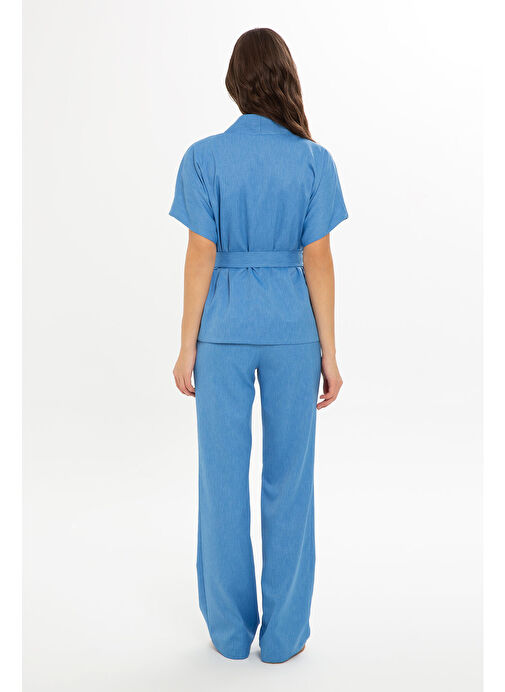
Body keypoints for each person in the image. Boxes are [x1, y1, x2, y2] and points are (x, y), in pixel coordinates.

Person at [169, 27, 348, 664]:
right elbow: (318, 260)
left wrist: (186, 345)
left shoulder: (203, 157)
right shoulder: (314, 161)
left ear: (234, 82)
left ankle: (227, 632)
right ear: (285, 77)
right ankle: (285, 635)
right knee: (290, 480)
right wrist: (329, 353)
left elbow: (200, 254)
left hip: (221, 330)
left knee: (220, 479)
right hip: (292, 332)